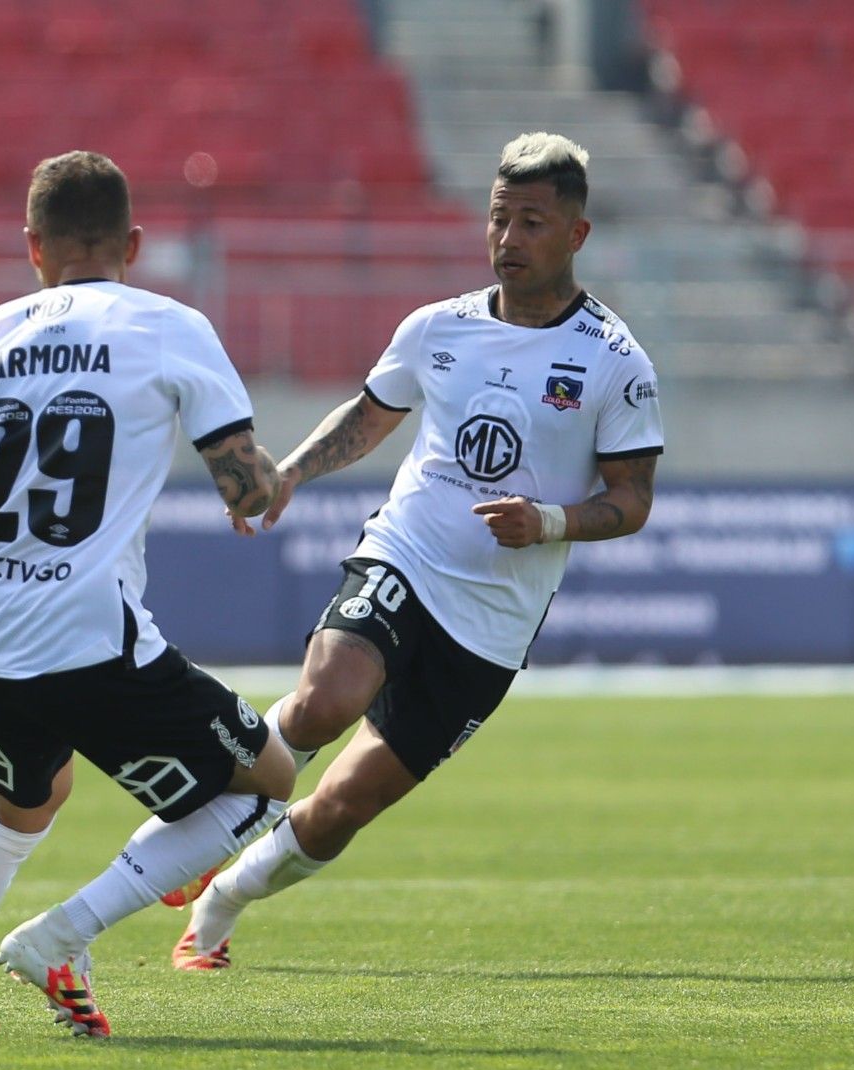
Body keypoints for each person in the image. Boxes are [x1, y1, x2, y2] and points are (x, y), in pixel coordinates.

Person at [169, 132, 665, 970]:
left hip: (491, 628)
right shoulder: (439, 328)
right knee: (326, 698)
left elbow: (631, 501)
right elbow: (371, 414)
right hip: (407, 557)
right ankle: (180, 838)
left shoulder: (616, 363)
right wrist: (290, 473)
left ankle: (221, 900)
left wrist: (549, 523)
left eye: (532, 223)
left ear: (575, 236)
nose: (509, 239)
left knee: (339, 810)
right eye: (499, 219)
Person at [0, 150, 297, 1038]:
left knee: (23, 806)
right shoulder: (167, 325)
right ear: (133, 243)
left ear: (33, 247)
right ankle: (63, 935)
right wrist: (254, 492)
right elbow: (247, 482)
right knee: (265, 782)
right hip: (92, 634)